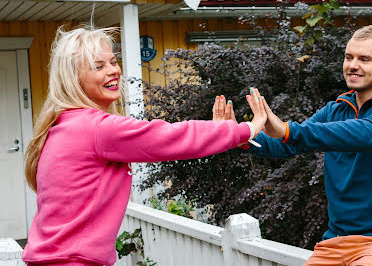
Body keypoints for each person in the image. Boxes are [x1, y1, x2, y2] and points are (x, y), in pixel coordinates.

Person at [22, 26, 267, 266]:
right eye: (99, 66)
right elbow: (168, 137)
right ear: (73, 80)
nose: (113, 71)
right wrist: (247, 129)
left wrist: (217, 131)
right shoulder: (97, 128)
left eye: (113, 62)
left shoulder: (61, 127)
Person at [214, 25, 372, 266]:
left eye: (364, 59)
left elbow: (368, 133)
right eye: (349, 57)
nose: (353, 65)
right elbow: (284, 145)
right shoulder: (335, 110)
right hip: (336, 241)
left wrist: (287, 130)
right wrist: (238, 135)